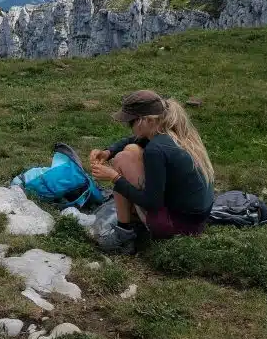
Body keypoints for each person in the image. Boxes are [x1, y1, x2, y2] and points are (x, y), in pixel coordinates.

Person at [87, 89, 215, 254]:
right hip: (197, 220)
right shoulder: (172, 132)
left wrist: (114, 177)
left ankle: (123, 234)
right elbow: (133, 140)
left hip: (176, 226)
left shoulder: (155, 150)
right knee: (131, 149)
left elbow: (152, 203)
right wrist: (108, 152)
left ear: (145, 120)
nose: (129, 127)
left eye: (130, 122)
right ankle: (131, 218)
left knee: (121, 160)